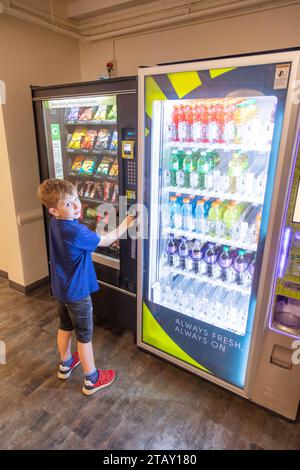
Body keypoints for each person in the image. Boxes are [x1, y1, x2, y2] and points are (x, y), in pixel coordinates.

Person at [37, 178, 135, 396]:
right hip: (78, 292)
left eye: (76, 199)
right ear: (54, 210)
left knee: (65, 326)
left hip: (61, 288)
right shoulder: (76, 232)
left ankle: (65, 364)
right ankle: (92, 379)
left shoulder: (56, 224)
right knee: (84, 336)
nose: (77, 205)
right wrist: (126, 223)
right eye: (69, 204)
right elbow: (107, 240)